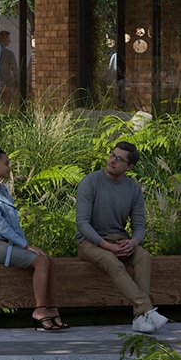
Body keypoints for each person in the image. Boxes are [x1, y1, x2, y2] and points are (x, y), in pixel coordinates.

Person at [0, 145, 63, 331]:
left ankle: (52, 310)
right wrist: (25, 246)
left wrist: (27, 245)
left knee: (47, 260)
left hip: (6, 243)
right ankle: (40, 310)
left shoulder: (2, 189)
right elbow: (0, 226)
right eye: (7, 163)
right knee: (41, 262)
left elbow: (13, 224)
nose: (10, 167)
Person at [77, 141, 167, 334]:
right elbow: (82, 224)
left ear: (129, 166)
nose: (112, 160)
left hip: (120, 239)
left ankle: (138, 318)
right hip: (90, 242)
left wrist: (133, 242)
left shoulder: (133, 189)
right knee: (112, 261)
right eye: (112, 155)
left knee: (143, 256)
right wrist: (106, 246)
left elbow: (139, 225)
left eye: (119, 159)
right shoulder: (90, 182)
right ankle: (147, 310)